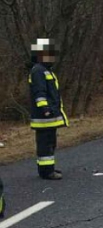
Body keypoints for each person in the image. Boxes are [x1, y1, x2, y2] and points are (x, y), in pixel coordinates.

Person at [28, 38, 68, 180]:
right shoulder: (38, 71)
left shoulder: (44, 70)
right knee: (45, 144)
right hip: (44, 117)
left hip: (48, 117)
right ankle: (47, 172)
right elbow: (40, 92)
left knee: (50, 143)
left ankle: (47, 168)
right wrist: (45, 108)